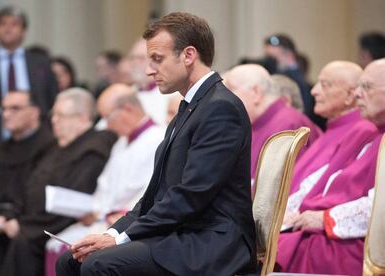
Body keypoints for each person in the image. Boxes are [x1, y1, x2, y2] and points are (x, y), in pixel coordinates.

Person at [57, 12, 256, 276]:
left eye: (157, 60)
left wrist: (120, 240)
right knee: (70, 260)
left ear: (188, 55)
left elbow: (192, 195)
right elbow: (154, 194)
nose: (150, 71)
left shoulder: (220, 108)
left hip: (211, 240)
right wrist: (113, 232)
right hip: (184, 232)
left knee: (99, 264)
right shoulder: (189, 107)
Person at [0, 88, 116, 276]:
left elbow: (73, 202)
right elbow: (29, 186)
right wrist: (12, 218)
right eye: (53, 114)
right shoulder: (59, 146)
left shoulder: (92, 150)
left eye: (60, 115)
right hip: (32, 222)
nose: (54, 120)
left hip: (50, 228)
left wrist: (24, 226)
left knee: (22, 242)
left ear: (82, 118)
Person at [277, 59, 385, 275]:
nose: (357, 95)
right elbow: (320, 183)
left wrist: (327, 219)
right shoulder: (376, 133)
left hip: (356, 239)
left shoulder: (364, 130)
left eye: (367, 87)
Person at [44, 84, 165, 276]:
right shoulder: (121, 142)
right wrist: (93, 209)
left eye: (109, 117)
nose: (107, 126)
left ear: (127, 109)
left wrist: (105, 213)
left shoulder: (157, 139)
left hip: (125, 220)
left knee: (74, 253)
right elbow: (105, 185)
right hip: (103, 216)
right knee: (57, 245)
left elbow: (147, 191)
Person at [0, 5, 58, 186]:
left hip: (37, 145)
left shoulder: (39, 62)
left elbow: (52, 101)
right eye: (3, 24)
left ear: (24, 30)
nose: (8, 28)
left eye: (14, 24)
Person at [0, 91, 55, 273]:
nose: (7, 114)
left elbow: (39, 193)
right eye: (4, 109)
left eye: (15, 108)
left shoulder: (50, 147)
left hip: (26, 224)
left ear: (34, 111)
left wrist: (10, 219)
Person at [287, 61, 377, 196]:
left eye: (325, 85)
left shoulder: (363, 131)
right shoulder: (333, 128)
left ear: (350, 96)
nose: (314, 91)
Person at [224, 64, 322, 181]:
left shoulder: (288, 124)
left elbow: (279, 187)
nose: (225, 98)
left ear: (256, 93)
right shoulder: (254, 123)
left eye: (230, 90)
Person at [264, 34, 325, 128]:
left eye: (273, 58)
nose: (270, 62)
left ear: (288, 55)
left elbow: (305, 110)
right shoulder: (272, 74)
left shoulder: (297, 78)